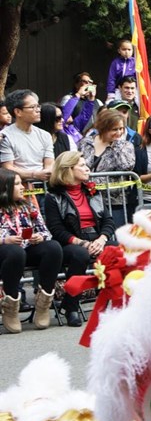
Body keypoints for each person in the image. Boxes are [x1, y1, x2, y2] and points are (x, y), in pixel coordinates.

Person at [43, 151, 116, 327]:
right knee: (80, 255)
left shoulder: (92, 192)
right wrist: (82, 243)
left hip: (96, 238)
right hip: (70, 242)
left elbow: (108, 220)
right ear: (68, 169)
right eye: (82, 165)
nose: (87, 168)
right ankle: (71, 307)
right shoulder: (53, 197)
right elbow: (57, 230)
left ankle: (108, 305)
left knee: (116, 251)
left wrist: (102, 239)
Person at [0, 168, 60, 332]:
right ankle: (11, 306)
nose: (23, 188)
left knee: (53, 248)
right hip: (5, 251)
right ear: (5, 188)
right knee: (14, 252)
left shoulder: (28, 206)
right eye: (18, 184)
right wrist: (5, 240)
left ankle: (43, 303)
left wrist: (39, 236)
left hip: (26, 248)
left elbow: (45, 231)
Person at [78, 109, 136, 227]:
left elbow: (127, 166)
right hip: (88, 199)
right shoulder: (86, 142)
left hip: (114, 201)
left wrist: (116, 145)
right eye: (115, 129)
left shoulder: (125, 145)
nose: (119, 132)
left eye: (121, 128)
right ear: (103, 127)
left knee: (116, 236)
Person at [1, 90, 54, 183]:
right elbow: (8, 168)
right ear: (18, 112)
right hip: (18, 187)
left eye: (38, 106)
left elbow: (49, 164)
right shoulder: (5, 136)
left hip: (45, 186)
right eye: (33, 107)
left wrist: (47, 172)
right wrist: (35, 174)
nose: (38, 110)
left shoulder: (45, 135)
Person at [61, 75, 100, 145]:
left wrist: (91, 99)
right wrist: (78, 94)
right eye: (85, 81)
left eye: (90, 82)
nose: (88, 84)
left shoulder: (73, 128)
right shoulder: (60, 129)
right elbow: (64, 115)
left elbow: (85, 116)